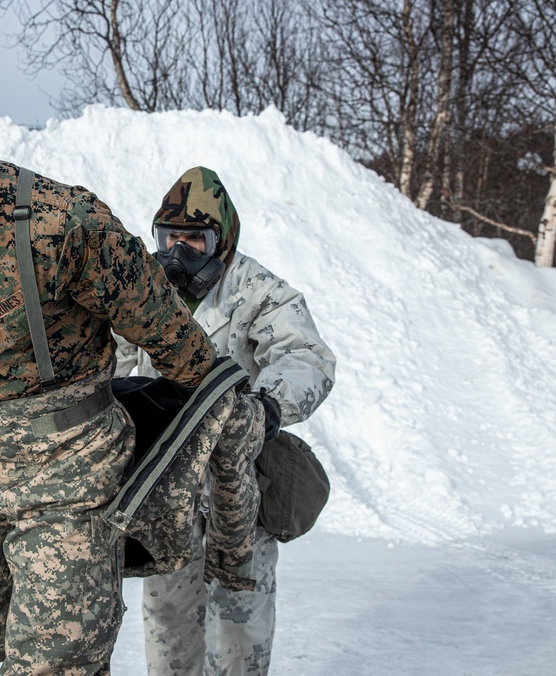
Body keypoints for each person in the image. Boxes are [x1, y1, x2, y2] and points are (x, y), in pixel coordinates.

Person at [0, 44, 242, 674]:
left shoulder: (62, 225)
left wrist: (226, 415)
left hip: (72, 478)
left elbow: (174, 339)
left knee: (53, 665)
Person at [115, 167, 337, 675]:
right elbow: (116, 360)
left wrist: (267, 407)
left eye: (197, 237)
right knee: (168, 617)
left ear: (224, 238)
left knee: (238, 623)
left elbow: (306, 356)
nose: (181, 249)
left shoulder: (255, 288)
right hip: (165, 489)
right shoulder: (148, 292)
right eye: (171, 236)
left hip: (235, 489)